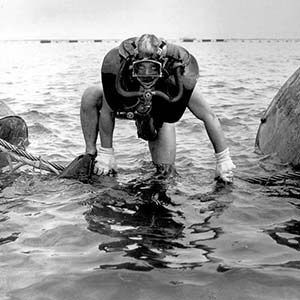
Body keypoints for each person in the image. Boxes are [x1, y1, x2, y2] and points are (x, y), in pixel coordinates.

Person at [80, 34, 236, 183]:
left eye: (153, 69)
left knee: (165, 174)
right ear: (132, 65)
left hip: (160, 114)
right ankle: (90, 153)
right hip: (128, 105)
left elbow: (209, 116)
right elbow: (107, 112)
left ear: (162, 66)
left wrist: (223, 159)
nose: (147, 75)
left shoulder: (177, 78)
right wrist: (107, 153)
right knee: (91, 95)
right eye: (141, 69)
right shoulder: (120, 71)